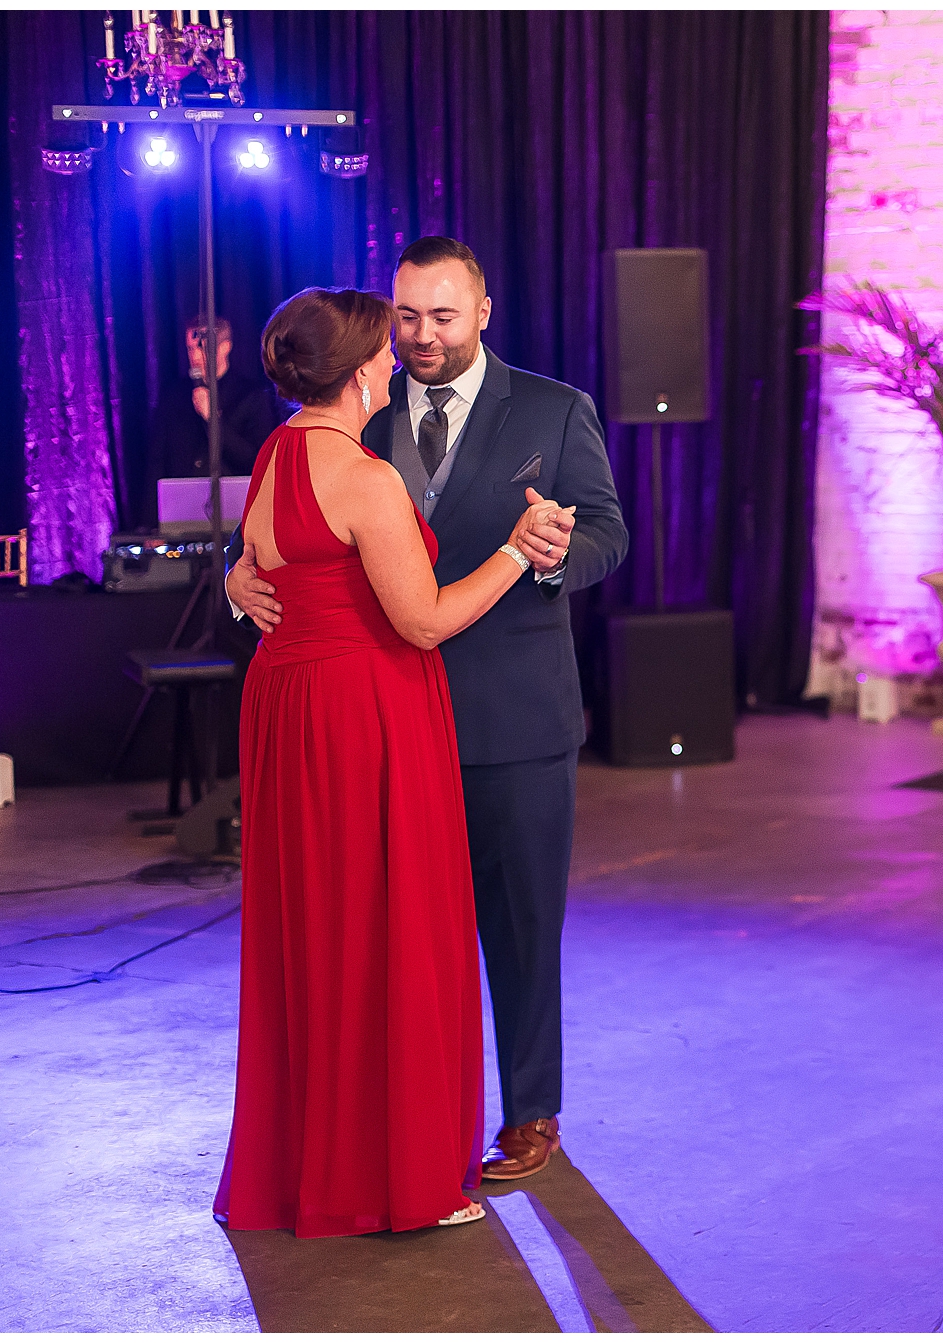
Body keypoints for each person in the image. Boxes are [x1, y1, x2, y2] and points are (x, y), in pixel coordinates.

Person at [227, 236, 628, 1183]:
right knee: (389, 937)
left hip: (512, 717)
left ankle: (529, 1112)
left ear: (482, 312)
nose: (422, 336)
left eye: (443, 317)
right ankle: (394, 1129)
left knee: (521, 926)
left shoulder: (555, 408)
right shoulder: (351, 407)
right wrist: (237, 576)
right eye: (406, 317)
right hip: (381, 725)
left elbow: (608, 531)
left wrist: (554, 554)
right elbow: (287, 522)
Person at [151, 316, 284, 483]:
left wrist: (212, 418)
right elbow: (157, 460)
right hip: (181, 495)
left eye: (203, 348)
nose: (195, 357)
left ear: (225, 347)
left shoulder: (252, 396)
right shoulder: (173, 395)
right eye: (190, 348)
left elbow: (255, 461)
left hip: (230, 494)